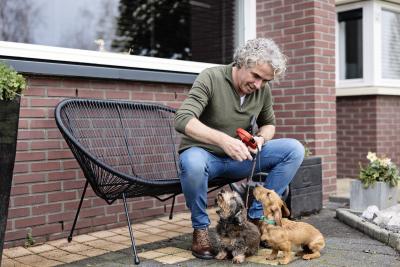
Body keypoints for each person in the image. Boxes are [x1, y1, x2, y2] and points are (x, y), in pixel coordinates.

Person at [174, 38, 304, 259]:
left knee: (294, 149)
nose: (259, 85)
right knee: (192, 162)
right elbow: (183, 119)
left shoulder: (262, 91)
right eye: (256, 76)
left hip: (241, 159)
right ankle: (201, 230)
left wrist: (261, 138)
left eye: (265, 80)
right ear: (242, 62)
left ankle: (255, 218)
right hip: (207, 158)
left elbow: (269, 124)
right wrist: (223, 140)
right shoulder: (211, 77)